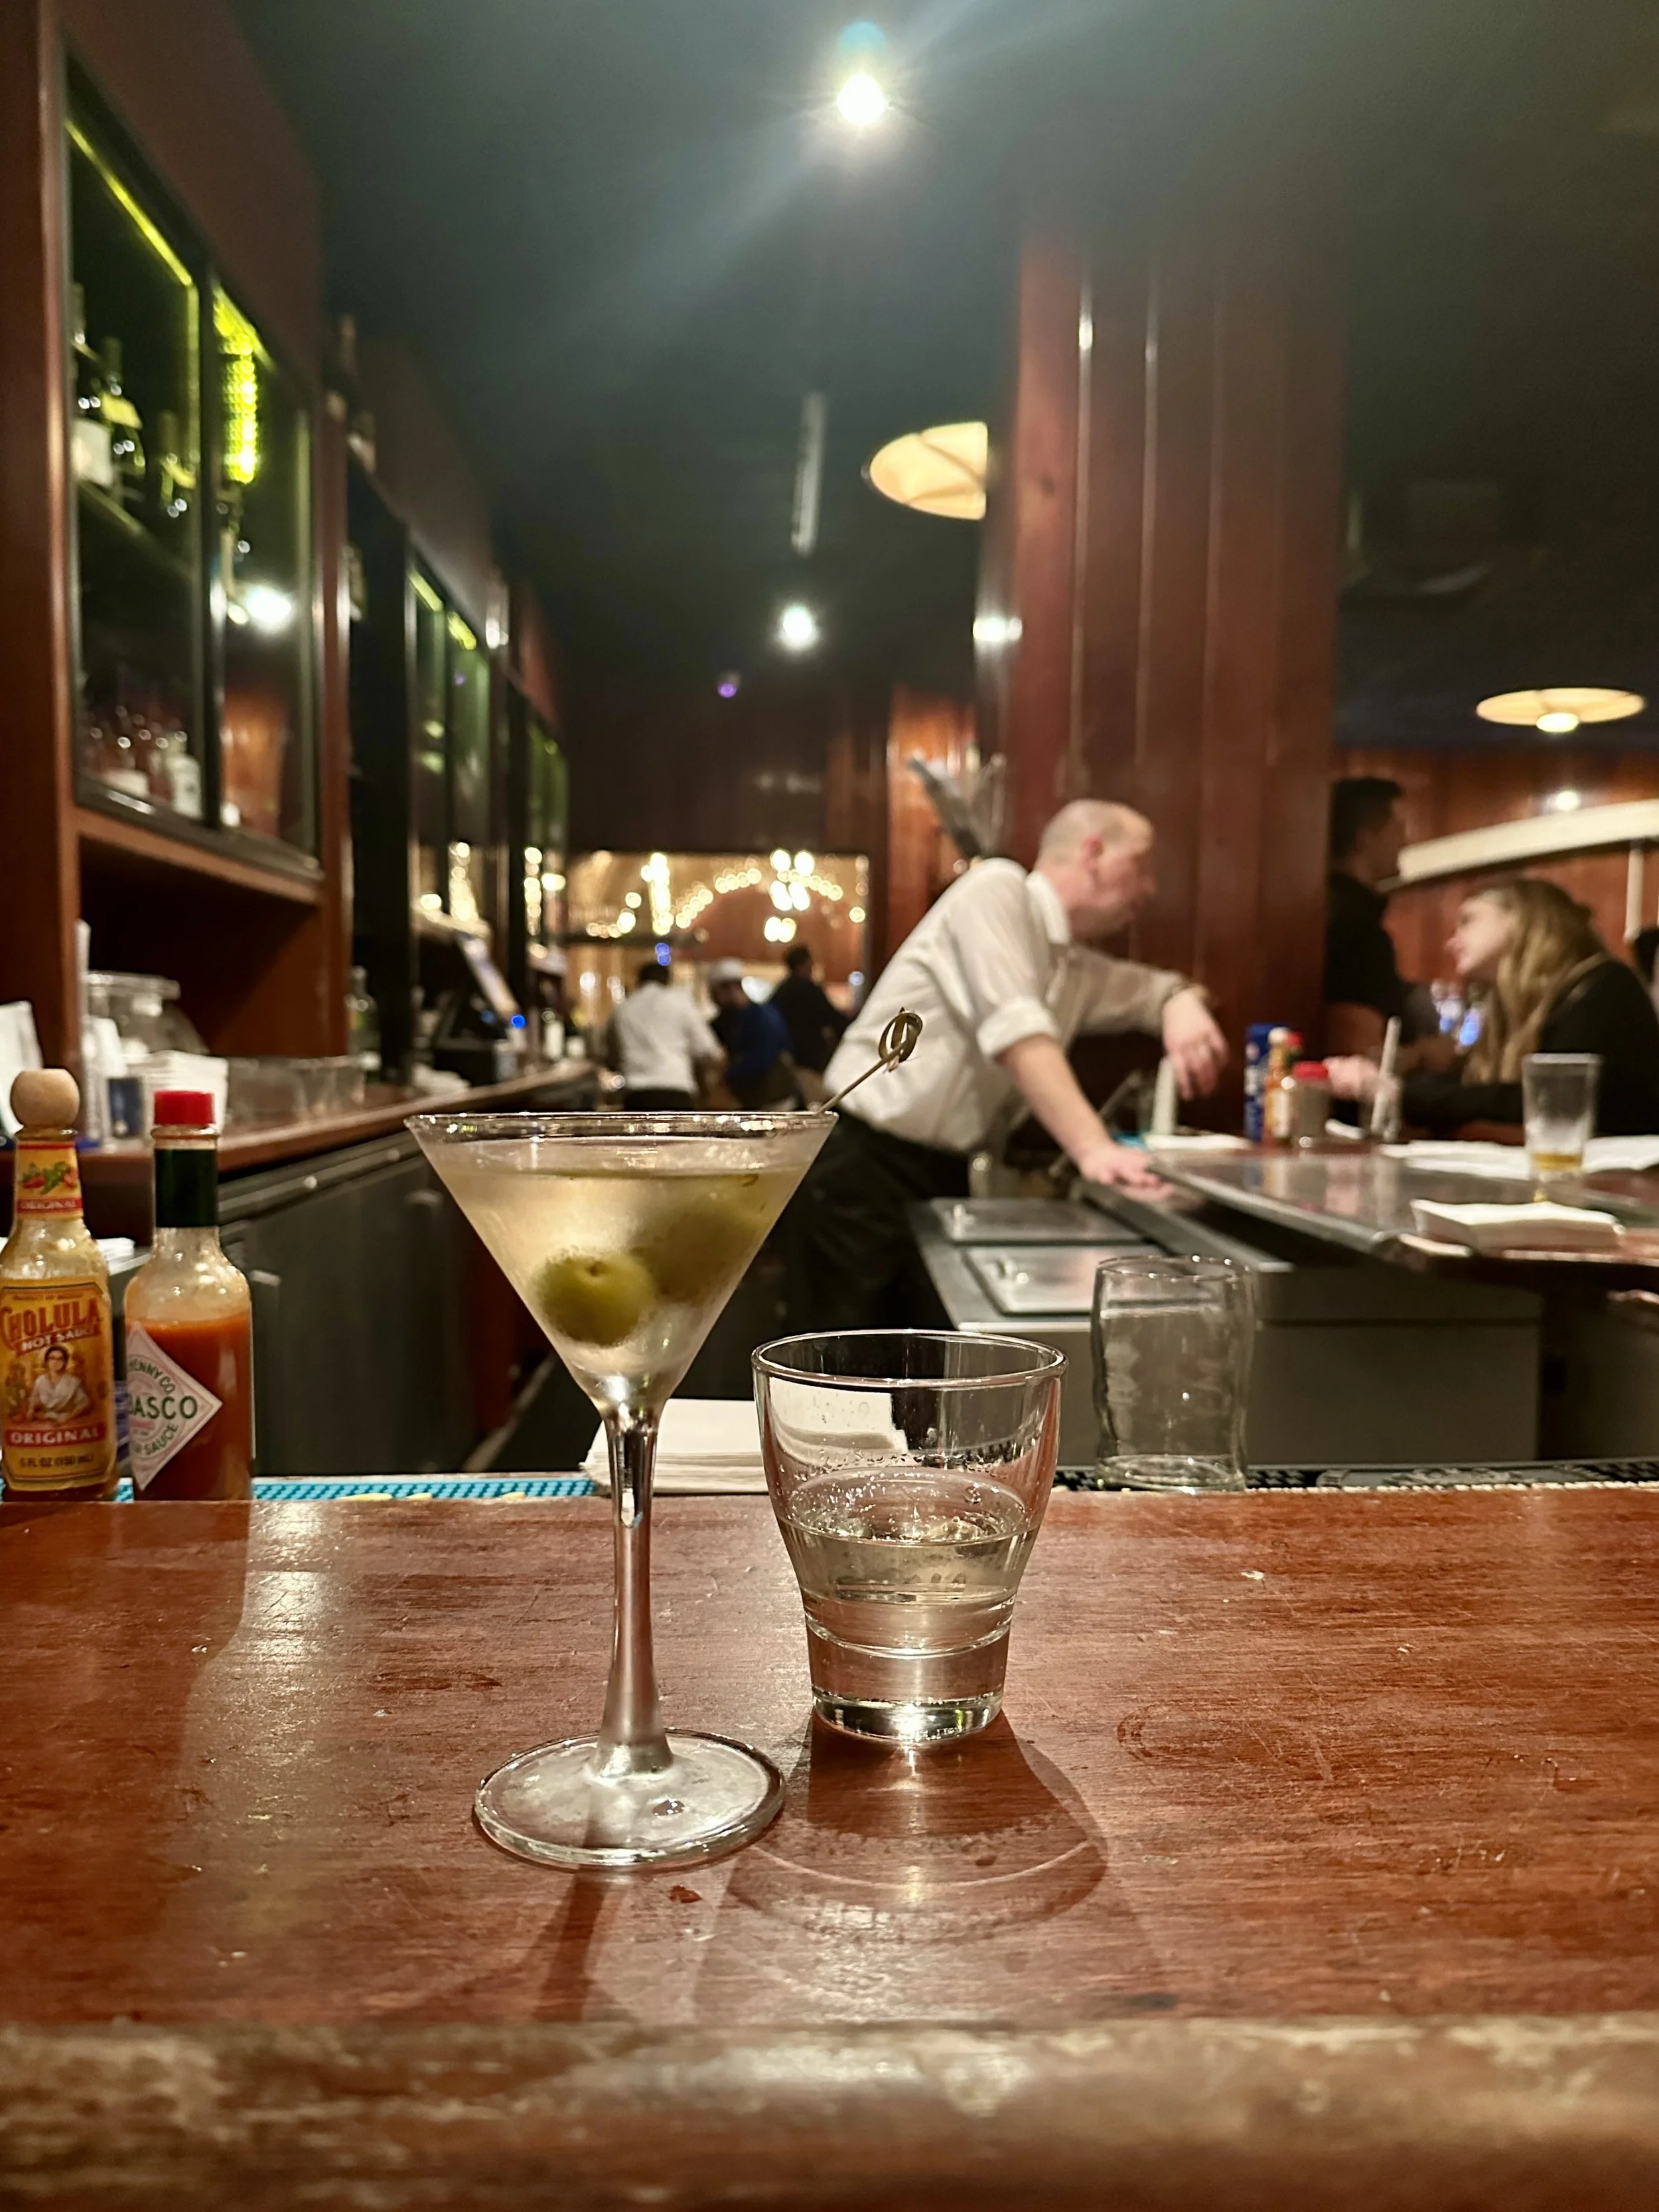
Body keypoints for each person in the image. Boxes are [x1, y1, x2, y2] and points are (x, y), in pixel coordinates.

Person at [786, 800, 1228, 1331]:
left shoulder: (1072, 966)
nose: (1151, 887)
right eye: (1143, 864)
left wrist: (1179, 1001)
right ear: (1094, 853)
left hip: (938, 1172)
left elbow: (1150, 991)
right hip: (863, 1165)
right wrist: (1094, 1149)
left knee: (910, 1371)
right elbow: (1015, 1032)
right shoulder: (996, 888)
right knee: (842, 1368)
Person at [1328, 876, 1659, 1135]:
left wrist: (1396, 1092)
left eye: (1468, 920)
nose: (1452, 941)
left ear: (1522, 920)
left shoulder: (1601, 985)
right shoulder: (1510, 1007)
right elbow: (1481, 1092)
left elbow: (1545, 1098)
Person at [1325, 776, 1409, 1056]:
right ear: (1364, 839)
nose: (1406, 841)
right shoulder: (1356, 929)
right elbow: (1356, 1053)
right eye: (1397, 830)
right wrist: (1424, 1054)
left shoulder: (1322, 907)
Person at [608, 958, 723, 1110]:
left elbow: (611, 1055)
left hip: (637, 1094)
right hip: (676, 1089)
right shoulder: (680, 1003)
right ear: (667, 980)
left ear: (639, 981)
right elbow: (708, 1050)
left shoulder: (623, 1009)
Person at [708, 958, 799, 1108]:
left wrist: (726, 1075)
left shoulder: (763, 1017)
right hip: (753, 1102)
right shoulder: (726, 1021)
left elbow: (762, 1058)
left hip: (773, 1102)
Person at [769, 943, 848, 1101]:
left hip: (786, 1062)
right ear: (805, 965)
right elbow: (835, 1019)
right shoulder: (810, 991)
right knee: (817, 1109)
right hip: (808, 1062)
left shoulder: (780, 992)